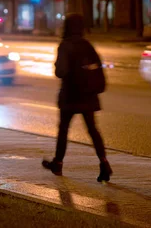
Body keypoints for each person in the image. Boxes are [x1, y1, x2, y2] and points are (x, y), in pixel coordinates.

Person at [42, 13, 112, 182]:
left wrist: (59, 65)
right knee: (93, 130)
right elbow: (98, 67)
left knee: (64, 129)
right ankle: (104, 163)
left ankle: (58, 163)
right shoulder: (87, 45)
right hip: (88, 95)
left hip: (71, 96)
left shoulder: (65, 45)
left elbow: (60, 72)